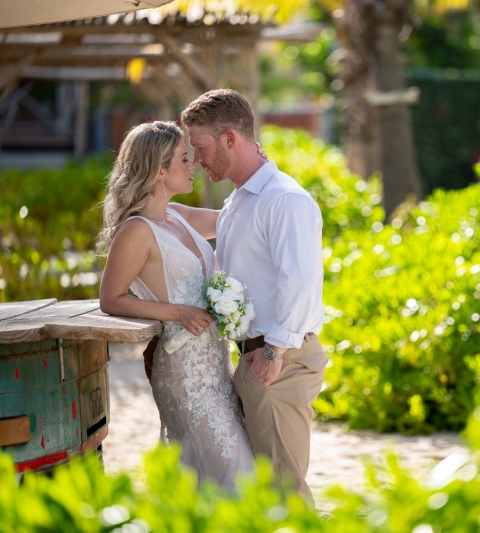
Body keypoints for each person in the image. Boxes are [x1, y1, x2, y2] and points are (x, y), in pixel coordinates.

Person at [181, 89, 327, 505]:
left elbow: (299, 281)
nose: (198, 160)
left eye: (202, 148)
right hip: (255, 359)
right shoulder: (240, 200)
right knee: (264, 490)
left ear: (230, 139)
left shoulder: (285, 199)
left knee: (285, 490)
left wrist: (274, 350)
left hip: (278, 362)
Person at [97, 120, 254, 491]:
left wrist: (264, 183)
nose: (194, 164)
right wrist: (178, 312)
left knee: (220, 480)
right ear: (159, 171)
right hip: (184, 376)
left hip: (216, 368)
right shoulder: (135, 231)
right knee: (237, 477)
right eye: (185, 159)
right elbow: (110, 299)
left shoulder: (177, 215)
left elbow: (235, 222)